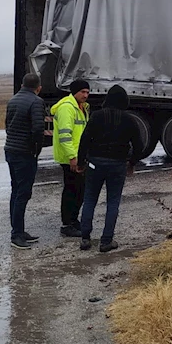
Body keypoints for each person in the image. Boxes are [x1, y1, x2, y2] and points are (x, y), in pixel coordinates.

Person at [76, 85, 142, 253]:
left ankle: (85, 238)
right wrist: (132, 163)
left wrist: (81, 162)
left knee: (90, 199)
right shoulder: (129, 119)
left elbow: (85, 140)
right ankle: (106, 241)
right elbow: (139, 145)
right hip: (117, 164)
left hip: (95, 163)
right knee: (113, 202)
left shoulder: (97, 116)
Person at [4, 72, 45, 249]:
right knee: (23, 193)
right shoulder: (36, 102)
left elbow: (7, 124)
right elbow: (38, 129)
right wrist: (36, 149)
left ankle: (19, 230)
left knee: (16, 191)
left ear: (22, 85)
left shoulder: (13, 100)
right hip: (24, 153)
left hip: (11, 150)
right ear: (39, 88)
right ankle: (16, 235)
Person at [51, 79, 90, 237]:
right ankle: (67, 224)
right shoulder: (67, 108)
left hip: (79, 156)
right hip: (70, 158)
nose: (86, 95)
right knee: (72, 190)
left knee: (80, 190)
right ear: (74, 92)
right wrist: (72, 157)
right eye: (82, 92)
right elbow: (65, 135)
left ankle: (73, 220)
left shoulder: (81, 108)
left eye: (87, 92)